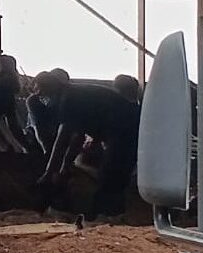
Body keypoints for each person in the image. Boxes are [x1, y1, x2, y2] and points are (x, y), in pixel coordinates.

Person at [37, 79, 141, 217]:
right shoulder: (75, 93)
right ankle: (107, 213)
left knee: (110, 177)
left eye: (42, 92)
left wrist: (49, 172)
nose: (41, 96)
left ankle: (107, 216)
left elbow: (63, 140)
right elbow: (78, 135)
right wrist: (64, 166)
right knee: (112, 175)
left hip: (125, 132)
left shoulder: (67, 99)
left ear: (51, 88)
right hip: (126, 129)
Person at [24, 69, 70, 155]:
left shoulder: (63, 100)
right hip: (36, 140)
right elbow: (38, 128)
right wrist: (47, 151)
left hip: (56, 137)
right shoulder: (34, 100)